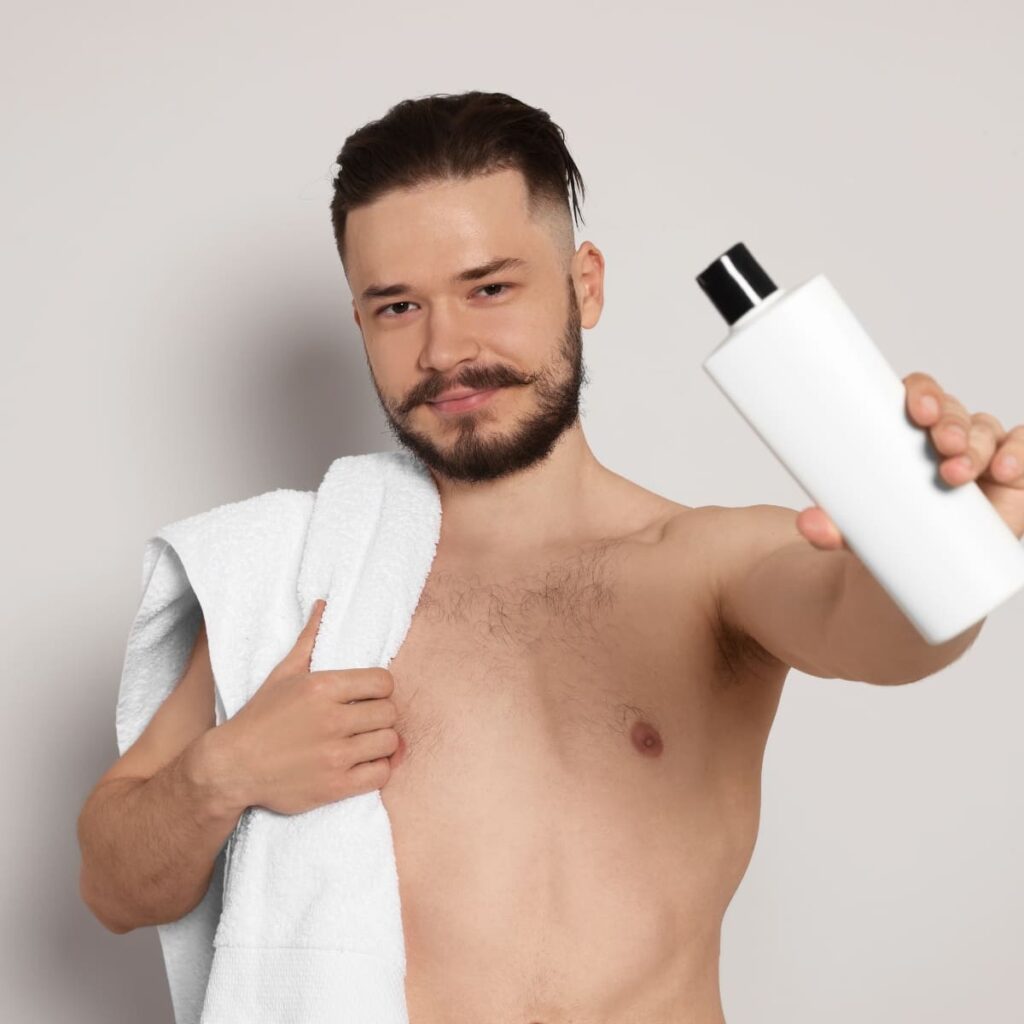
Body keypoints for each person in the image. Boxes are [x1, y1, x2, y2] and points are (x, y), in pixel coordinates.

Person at [78, 90, 1007, 1024]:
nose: (447, 350)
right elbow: (114, 888)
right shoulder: (305, 582)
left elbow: (898, 634)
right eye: (398, 306)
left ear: (585, 285)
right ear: (360, 322)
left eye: (490, 288)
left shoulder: (705, 566)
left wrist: (945, 532)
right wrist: (226, 774)